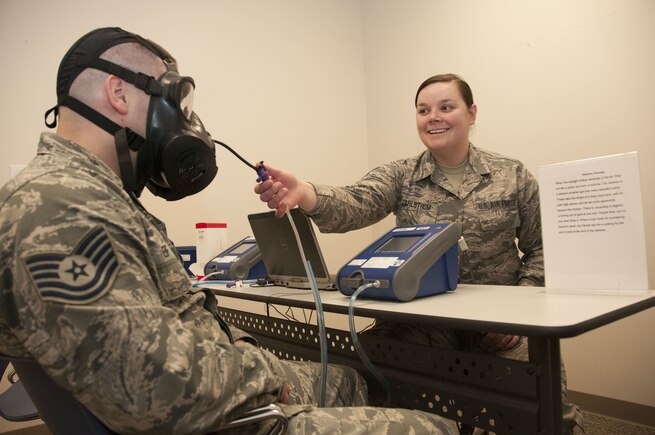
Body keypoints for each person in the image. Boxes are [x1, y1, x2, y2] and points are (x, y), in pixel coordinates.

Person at [0, 28, 460, 434]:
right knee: (435, 427)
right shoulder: (63, 208)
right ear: (118, 95)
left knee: (351, 379)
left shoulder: (90, 194)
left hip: (214, 384)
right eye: (171, 102)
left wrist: (239, 346)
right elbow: (156, 388)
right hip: (221, 417)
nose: (183, 121)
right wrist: (266, 373)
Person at [255, 73, 584, 434]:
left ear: (471, 114)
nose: (433, 117)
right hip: (425, 322)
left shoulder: (512, 175)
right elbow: (355, 203)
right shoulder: (402, 175)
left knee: (547, 407)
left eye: (446, 107)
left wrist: (519, 316)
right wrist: (305, 192)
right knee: (370, 371)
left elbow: (541, 249)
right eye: (423, 110)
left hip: (500, 327)